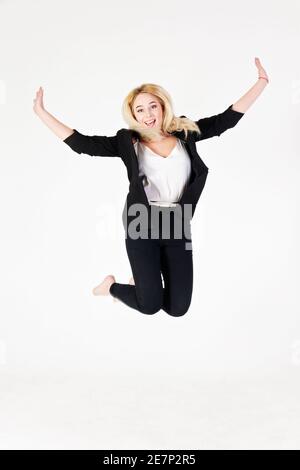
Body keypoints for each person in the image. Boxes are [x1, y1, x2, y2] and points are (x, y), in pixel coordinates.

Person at [33, 57, 269, 316]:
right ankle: (111, 287)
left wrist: (261, 82)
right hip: (141, 222)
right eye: (140, 110)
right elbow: (83, 144)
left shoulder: (185, 133)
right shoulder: (128, 142)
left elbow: (226, 120)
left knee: (178, 308)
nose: (148, 115)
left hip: (178, 222)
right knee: (150, 305)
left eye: (152, 106)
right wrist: (42, 113)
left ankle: (145, 284)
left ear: (163, 106)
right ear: (133, 115)